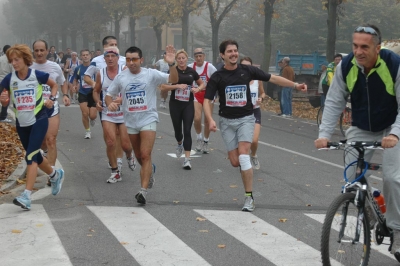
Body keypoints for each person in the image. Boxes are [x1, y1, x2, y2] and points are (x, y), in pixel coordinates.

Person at [314, 24, 400, 261]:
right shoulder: (347, 65)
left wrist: (395, 135)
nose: (358, 51)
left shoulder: (394, 64)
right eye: (355, 46)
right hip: (361, 128)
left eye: (364, 47)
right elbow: (334, 101)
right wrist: (324, 134)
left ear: (377, 48)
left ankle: (397, 232)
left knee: (392, 177)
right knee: (352, 179)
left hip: (391, 129)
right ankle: (366, 208)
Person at [203, 39, 307, 212]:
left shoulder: (247, 70)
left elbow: (273, 78)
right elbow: (207, 100)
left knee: (244, 155)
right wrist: (210, 119)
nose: (233, 54)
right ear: (222, 55)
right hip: (227, 122)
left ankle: (249, 197)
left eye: (235, 50)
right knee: (235, 162)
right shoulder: (218, 76)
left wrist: (295, 85)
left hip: (246, 118)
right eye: (229, 51)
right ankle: (246, 169)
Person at [106, 45, 178, 204]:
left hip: (148, 119)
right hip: (131, 122)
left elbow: (173, 79)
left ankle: (143, 191)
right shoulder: (121, 77)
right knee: (138, 156)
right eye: (129, 59)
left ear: (141, 60)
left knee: (145, 154)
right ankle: (149, 171)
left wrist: (172, 64)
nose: (131, 63)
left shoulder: (151, 74)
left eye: (135, 59)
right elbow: (109, 94)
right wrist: (110, 103)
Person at [0, 44, 64, 210]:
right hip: (22, 124)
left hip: (39, 120)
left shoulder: (37, 75)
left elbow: (54, 85)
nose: (14, 63)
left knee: (30, 156)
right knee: (35, 156)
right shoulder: (9, 79)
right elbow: (4, 99)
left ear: (25, 59)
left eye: (17, 59)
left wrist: (52, 98)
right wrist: (4, 101)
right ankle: (55, 174)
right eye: (11, 60)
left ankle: (26, 196)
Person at [83, 36, 127, 170]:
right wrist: (95, 84)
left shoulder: (123, 60)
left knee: (121, 135)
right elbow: (86, 76)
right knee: (110, 137)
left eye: (116, 44)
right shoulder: (96, 61)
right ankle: (112, 154)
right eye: (111, 44)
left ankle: (118, 159)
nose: (114, 46)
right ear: (104, 48)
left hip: (121, 104)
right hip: (105, 102)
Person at [93, 46, 136, 183]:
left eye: (113, 56)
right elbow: (96, 91)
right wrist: (97, 101)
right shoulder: (101, 73)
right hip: (108, 113)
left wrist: (122, 99)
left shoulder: (125, 71)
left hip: (124, 113)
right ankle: (115, 171)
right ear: (104, 58)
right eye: (107, 56)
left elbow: (132, 89)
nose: (110, 59)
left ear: (118, 58)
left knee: (125, 145)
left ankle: (129, 155)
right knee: (110, 142)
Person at [32, 40, 70, 188]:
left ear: (48, 51)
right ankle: (46, 151)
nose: (40, 53)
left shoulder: (54, 67)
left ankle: (52, 174)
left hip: (51, 107)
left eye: (42, 50)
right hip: (34, 110)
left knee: (51, 139)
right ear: (33, 51)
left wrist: (65, 95)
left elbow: (62, 82)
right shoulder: (28, 67)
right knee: (42, 143)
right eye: (37, 50)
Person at [161, 49, 205, 169]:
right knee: (178, 131)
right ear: (176, 60)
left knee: (187, 130)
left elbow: (202, 83)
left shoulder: (192, 71)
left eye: (183, 58)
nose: (181, 60)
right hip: (175, 104)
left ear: (187, 59)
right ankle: (179, 144)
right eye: (178, 58)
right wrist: (177, 86)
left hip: (188, 104)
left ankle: (187, 159)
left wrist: (198, 89)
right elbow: (163, 87)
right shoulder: (172, 71)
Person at [188, 48, 217, 154]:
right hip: (196, 94)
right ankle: (199, 138)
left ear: (204, 56)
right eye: (196, 56)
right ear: (194, 57)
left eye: (200, 56)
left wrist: (216, 91)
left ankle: (206, 141)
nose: (198, 58)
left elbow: (217, 79)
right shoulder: (191, 67)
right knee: (197, 117)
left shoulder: (209, 67)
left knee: (207, 120)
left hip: (208, 95)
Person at [240, 57, 266, 170]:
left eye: (248, 66)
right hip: (241, 112)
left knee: (254, 140)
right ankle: (244, 159)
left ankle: (254, 155)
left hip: (255, 111)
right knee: (243, 140)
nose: (246, 68)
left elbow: (263, 93)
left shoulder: (257, 79)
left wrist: (261, 98)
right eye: (243, 66)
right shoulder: (237, 79)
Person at [71, 49, 97, 139]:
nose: (85, 56)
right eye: (83, 55)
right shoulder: (78, 68)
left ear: (90, 56)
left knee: (92, 115)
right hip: (82, 92)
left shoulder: (95, 67)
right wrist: (74, 86)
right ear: (81, 57)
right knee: (85, 113)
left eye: (87, 55)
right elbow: (75, 79)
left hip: (93, 93)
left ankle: (93, 119)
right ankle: (87, 131)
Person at [0, 45, 13, 123]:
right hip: (7, 81)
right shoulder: (11, 60)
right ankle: (3, 116)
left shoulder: (0, 59)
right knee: (6, 100)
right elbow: (13, 72)